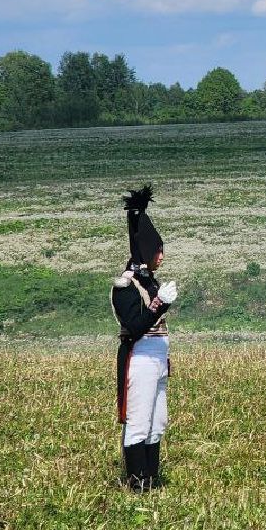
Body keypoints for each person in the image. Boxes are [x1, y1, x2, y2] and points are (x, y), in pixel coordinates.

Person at [112, 185, 177, 490]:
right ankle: (137, 482)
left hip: (157, 360)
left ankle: (152, 478)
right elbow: (136, 325)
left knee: (157, 422)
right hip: (138, 358)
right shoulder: (125, 286)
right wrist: (160, 305)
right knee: (138, 423)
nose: (161, 256)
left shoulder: (151, 283)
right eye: (157, 251)